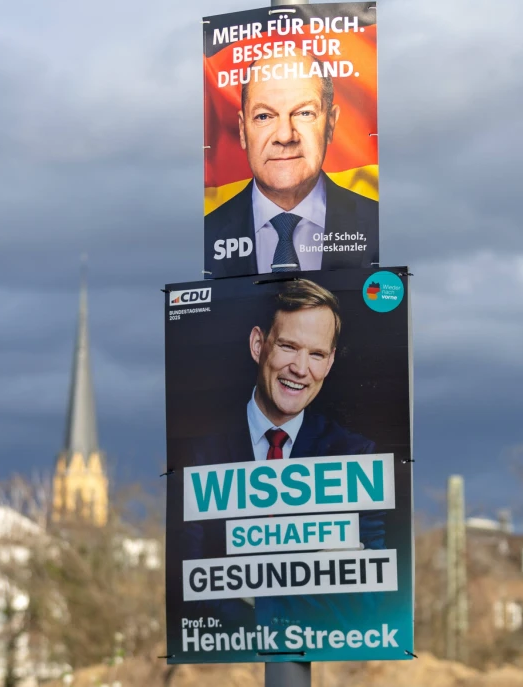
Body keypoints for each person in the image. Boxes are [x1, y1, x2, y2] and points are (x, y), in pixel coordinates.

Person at [173, 279, 386, 634]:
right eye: (289, 347)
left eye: (316, 354)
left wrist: (252, 596)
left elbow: (366, 601)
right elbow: (189, 589)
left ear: (330, 362)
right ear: (259, 345)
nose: (301, 369)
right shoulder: (200, 455)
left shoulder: (355, 456)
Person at [203, 53, 379, 278]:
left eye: (304, 113)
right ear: (242, 129)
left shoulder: (374, 225)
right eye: (264, 116)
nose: (285, 136)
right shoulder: (209, 234)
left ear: (331, 124)